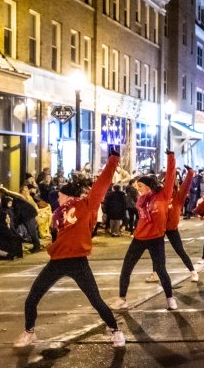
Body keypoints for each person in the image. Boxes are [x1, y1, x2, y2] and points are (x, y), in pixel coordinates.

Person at [14, 146, 125, 349]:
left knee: (95, 299)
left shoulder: (85, 205)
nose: (57, 198)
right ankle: (29, 332)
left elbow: (101, 185)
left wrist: (113, 160)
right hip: (57, 260)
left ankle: (116, 330)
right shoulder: (58, 213)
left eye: (60, 195)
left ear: (66, 196)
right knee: (32, 298)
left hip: (77, 260)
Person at [113, 152, 177, 311]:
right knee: (126, 268)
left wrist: (170, 158)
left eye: (140, 186)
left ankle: (170, 299)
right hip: (139, 238)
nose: (137, 189)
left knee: (161, 270)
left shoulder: (163, 196)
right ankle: (122, 299)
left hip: (156, 238)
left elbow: (170, 176)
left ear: (148, 187)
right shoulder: (141, 200)